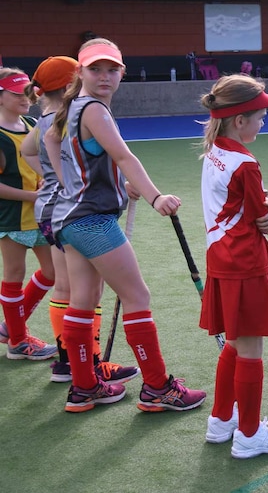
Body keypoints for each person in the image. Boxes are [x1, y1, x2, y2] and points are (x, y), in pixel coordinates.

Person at [46, 38, 206, 412]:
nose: (105, 76)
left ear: (122, 72)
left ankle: (85, 387)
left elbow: (56, 145)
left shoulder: (70, 107)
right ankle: (157, 389)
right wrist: (154, 197)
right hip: (92, 221)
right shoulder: (96, 112)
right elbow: (123, 155)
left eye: (111, 69)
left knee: (83, 301)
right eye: (95, 69)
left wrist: (105, 186)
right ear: (80, 72)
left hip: (68, 218)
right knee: (138, 298)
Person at [19, 56, 139, 384]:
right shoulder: (70, 115)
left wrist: (48, 174)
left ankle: (69, 362)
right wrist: (62, 177)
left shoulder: (44, 117)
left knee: (67, 287)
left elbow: (29, 150)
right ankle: (81, 361)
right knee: (82, 289)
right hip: (73, 210)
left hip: (51, 209)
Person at [198, 74, 268, 459]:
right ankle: (250, 435)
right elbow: (261, 214)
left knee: (236, 343)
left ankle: (222, 420)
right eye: (260, 116)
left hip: (221, 259)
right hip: (244, 261)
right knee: (251, 347)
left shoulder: (214, 151)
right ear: (239, 121)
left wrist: (264, 201)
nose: (263, 122)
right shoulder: (245, 162)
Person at [0, 68, 59, 361]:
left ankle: (10, 327)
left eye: (27, 91)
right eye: (15, 92)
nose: (25, 97)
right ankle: (18, 341)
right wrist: (33, 195)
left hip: (39, 213)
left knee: (52, 272)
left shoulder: (32, 123)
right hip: (10, 215)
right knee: (14, 273)